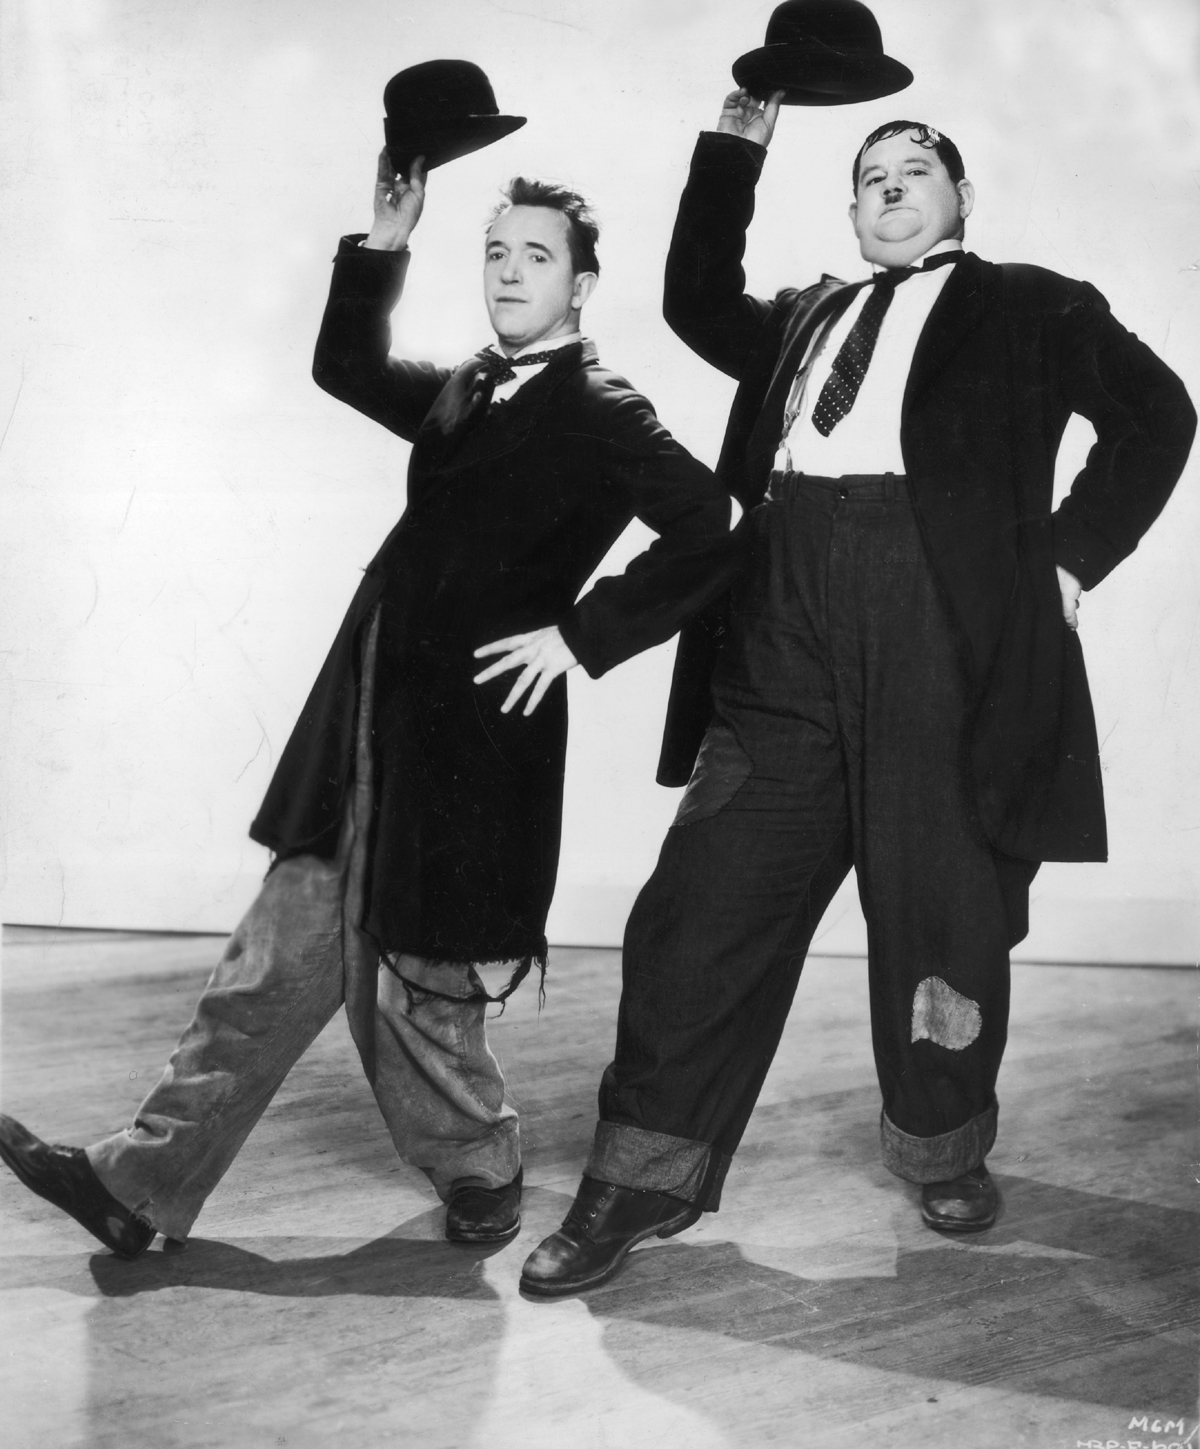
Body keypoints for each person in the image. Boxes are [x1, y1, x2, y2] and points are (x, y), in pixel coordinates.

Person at [520, 90, 1195, 1298]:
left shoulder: (1029, 303)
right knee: (701, 901)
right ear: (850, 210)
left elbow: (1160, 413)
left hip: (939, 628)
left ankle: (943, 1145)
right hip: (781, 620)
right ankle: (639, 1177)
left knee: (942, 911)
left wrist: (1072, 554)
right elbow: (693, 298)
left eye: (916, 167)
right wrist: (740, 140)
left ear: (962, 198)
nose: (890, 184)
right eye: (871, 174)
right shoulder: (805, 317)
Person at [0, 153, 737, 1259]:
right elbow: (345, 364)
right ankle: (135, 1184)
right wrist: (386, 240)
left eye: (537, 256)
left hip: (474, 736)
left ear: (582, 283)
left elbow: (713, 524)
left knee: (420, 984)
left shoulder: (602, 406)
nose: (508, 272)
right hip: (368, 706)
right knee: (272, 958)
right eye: (495, 252)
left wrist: (582, 636)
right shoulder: (467, 386)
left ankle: (481, 1164)